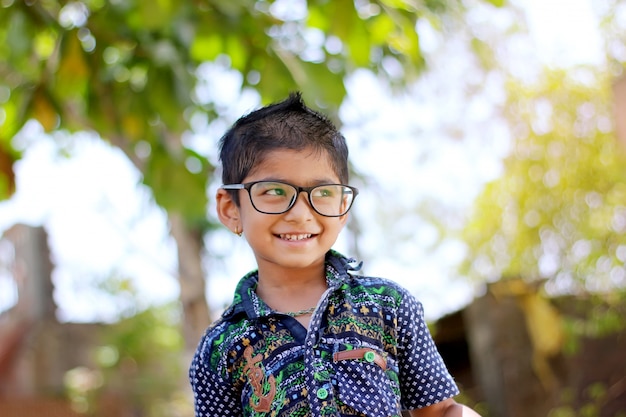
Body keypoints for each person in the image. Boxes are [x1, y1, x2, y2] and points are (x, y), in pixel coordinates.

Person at [189, 92, 482, 417]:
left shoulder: (389, 305)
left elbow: (441, 412)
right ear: (231, 209)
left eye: (323, 193)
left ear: (343, 207)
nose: (301, 214)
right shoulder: (220, 348)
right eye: (274, 191)